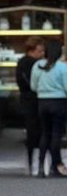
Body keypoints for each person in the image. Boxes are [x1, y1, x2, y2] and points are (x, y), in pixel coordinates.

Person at [30, 39, 67, 177]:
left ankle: (40, 166)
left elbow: (33, 86)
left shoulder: (37, 65)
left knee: (45, 133)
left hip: (42, 102)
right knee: (56, 134)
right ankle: (55, 166)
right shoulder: (62, 67)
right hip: (59, 102)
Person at [16, 37, 45, 175]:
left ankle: (31, 161)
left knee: (33, 130)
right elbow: (31, 83)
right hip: (33, 100)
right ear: (31, 51)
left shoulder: (22, 63)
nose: (42, 54)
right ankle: (36, 161)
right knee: (36, 131)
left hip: (27, 100)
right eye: (39, 51)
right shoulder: (32, 64)